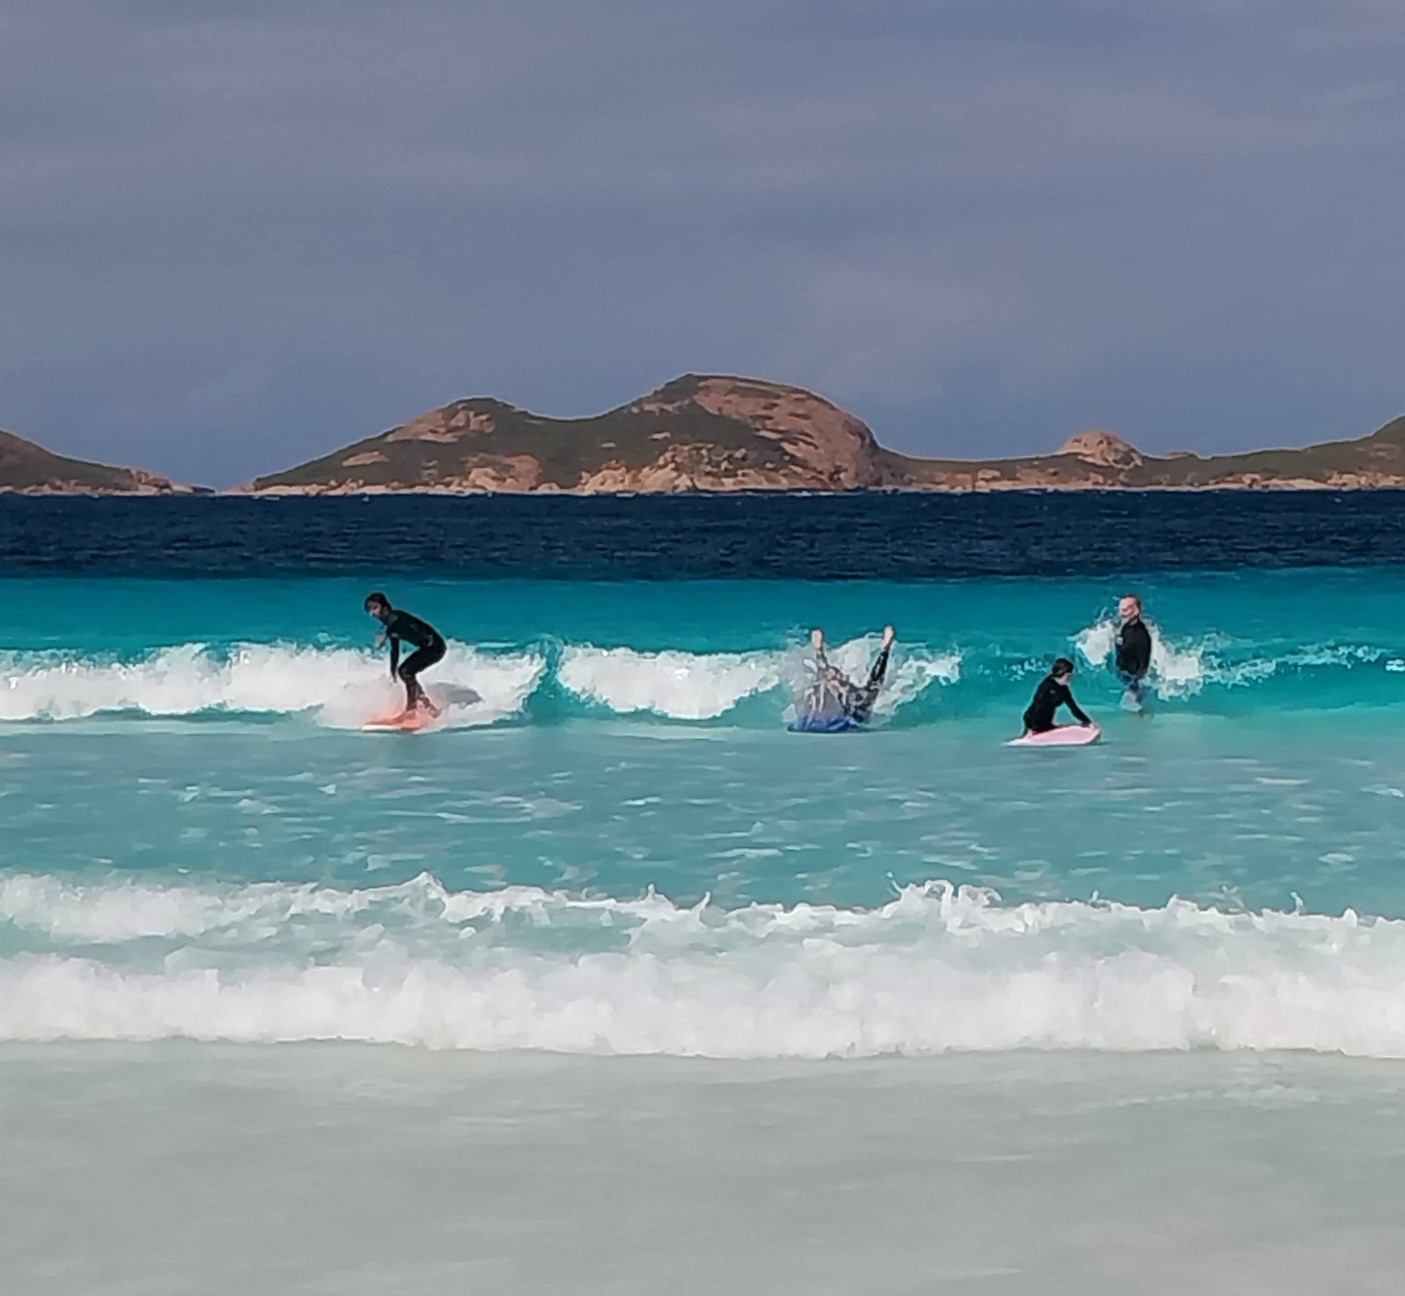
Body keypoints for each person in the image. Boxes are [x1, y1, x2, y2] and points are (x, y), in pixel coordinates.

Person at [793, 625, 895, 731]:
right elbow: (823, 670)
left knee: (870, 690)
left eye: (835, 676)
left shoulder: (859, 699)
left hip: (855, 714)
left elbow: (876, 677)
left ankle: (885, 648)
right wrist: (818, 649)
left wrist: (885, 649)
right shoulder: (828, 688)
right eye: (831, 677)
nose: (832, 677)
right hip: (839, 713)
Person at [365, 592, 445, 719]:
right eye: (369, 609)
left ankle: (411, 711)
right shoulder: (391, 626)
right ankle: (428, 707)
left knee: (406, 671)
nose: (372, 613)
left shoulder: (395, 617)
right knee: (404, 672)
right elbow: (395, 650)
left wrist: (385, 635)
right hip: (429, 648)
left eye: (375, 608)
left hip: (435, 646)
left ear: (385, 607)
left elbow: (395, 622)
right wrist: (393, 671)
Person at [1022, 657, 1093, 735]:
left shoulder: (1064, 690)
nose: (1071, 678)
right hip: (1032, 720)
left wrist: (1087, 722)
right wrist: (1031, 728)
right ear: (1061, 673)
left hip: (1046, 723)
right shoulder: (1046, 686)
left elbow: (1074, 708)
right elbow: (1037, 706)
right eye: (1069, 675)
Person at [1114, 594, 1153, 708]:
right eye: (1120, 610)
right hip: (1123, 673)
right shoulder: (1126, 625)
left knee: (1127, 706)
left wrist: (1135, 687)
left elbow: (1143, 665)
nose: (1121, 614)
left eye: (1125, 610)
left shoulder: (1141, 637)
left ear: (1136, 611)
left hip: (1133, 679)